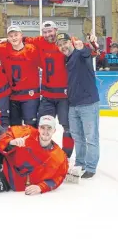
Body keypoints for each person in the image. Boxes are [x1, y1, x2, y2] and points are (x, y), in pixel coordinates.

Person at [24, 21, 74, 158]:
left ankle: (66, 156)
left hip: (64, 95)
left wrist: (91, 45)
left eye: (50, 31)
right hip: (47, 95)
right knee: (43, 125)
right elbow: (23, 39)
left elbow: (86, 50)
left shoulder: (66, 41)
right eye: (45, 32)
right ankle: (41, 153)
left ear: (56, 30)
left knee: (68, 127)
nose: (47, 35)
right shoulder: (39, 41)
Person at [56, 33, 100, 179]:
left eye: (65, 43)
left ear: (71, 42)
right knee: (77, 136)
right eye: (60, 45)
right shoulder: (66, 59)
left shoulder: (81, 53)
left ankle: (91, 167)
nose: (63, 47)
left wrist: (90, 45)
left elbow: (91, 52)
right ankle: (80, 163)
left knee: (90, 137)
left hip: (88, 103)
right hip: (73, 105)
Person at [0, 115, 69, 194]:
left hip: (8, 182)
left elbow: (59, 177)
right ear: (39, 128)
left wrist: (41, 187)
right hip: (1, 162)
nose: (45, 131)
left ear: (54, 130)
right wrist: (11, 142)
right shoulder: (26, 132)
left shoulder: (59, 156)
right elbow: (4, 137)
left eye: (49, 128)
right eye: (43, 128)